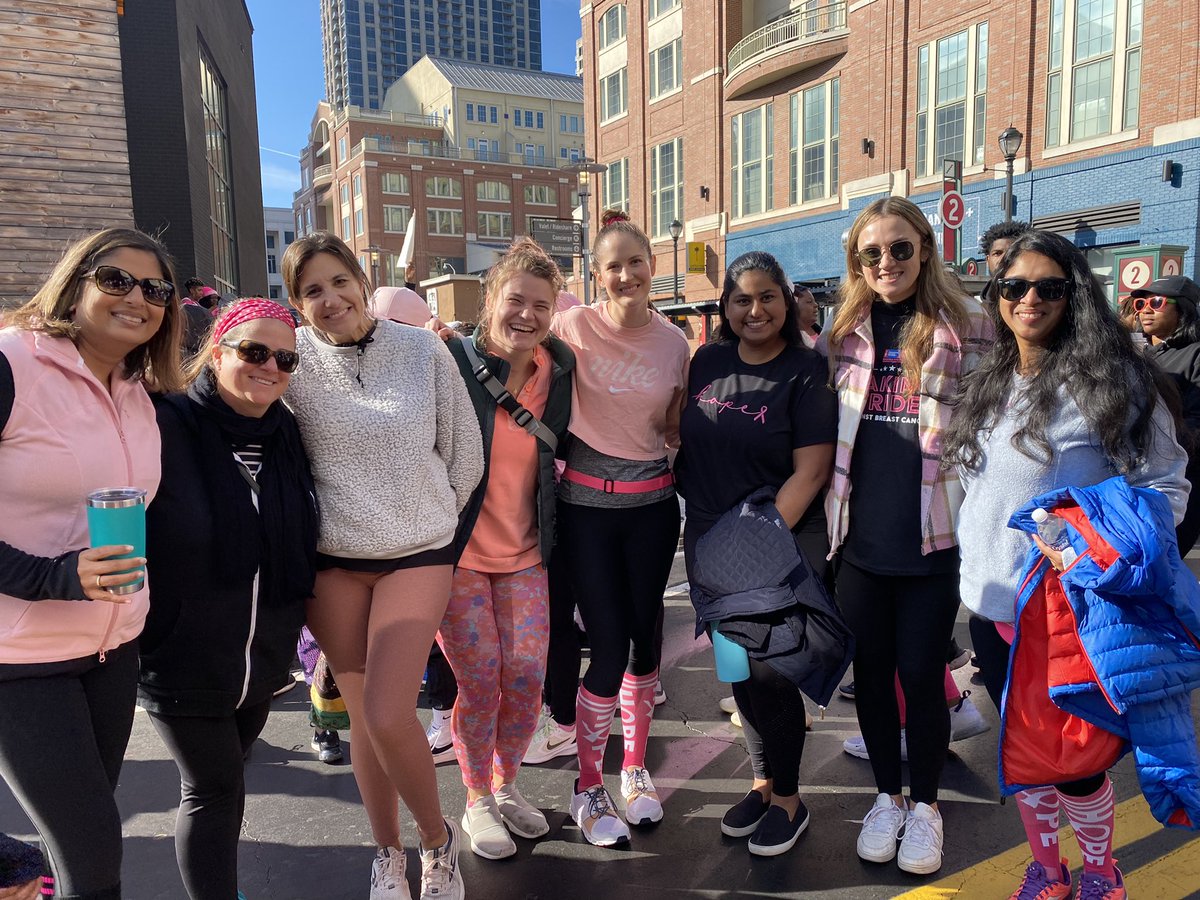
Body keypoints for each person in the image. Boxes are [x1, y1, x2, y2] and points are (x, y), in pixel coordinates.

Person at [946, 229, 1190, 900]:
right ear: (996, 297)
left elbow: (1167, 487)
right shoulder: (989, 380)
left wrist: (1089, 541)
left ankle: (1102, 872)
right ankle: (1047, 868)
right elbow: (976, 489)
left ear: (1074, 294)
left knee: (1076, 763)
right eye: (1013, 286)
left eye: (1048, 287)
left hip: (1070, 612)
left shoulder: (1115, 382)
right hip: (992, 606)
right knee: (1026, 755)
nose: (1029, 299)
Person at [281, 232, 482, 900]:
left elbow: (463, 452)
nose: (329, 298)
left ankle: (437, 841)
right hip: (334, 564)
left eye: (338, 281)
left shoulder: (424, 349)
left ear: (362, 282)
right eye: (311, 290)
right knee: (364, 718)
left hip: (417, 555)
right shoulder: (292, 362)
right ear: (295, 302)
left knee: (393, 714)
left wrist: (432, 523)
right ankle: (386, 853)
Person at [0, 227, 183, 899]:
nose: (137, 297)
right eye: (115, 280)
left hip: (110, 651)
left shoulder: (138, 391)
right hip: (19, 659)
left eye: (155, 289)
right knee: (95, 859)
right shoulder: (11, 364)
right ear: (74, 282)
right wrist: (54, 576)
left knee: (81, 839)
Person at [821, 196, 992, 875]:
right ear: (857, 262)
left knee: (922, 677)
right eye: (872, 253)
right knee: (870, 676)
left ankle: (926, 808)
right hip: (858, 541)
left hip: (933, 538)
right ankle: (886, 799)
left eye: (899, 248)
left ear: (924, 248)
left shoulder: (970, 325)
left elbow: (997, 422)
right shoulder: (839, 333)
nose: (886, 262)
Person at [139, 299, 318, 899]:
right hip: (181, 657)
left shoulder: (286, 432)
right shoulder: (164, 422)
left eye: (285, 357)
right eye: (253, 351)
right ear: (216, 351)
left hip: (261, 663)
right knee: (213, 787)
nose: (270, 366)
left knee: (228, 782)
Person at [675, 251, 844, 856]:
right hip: (707, 540)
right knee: (738, 672)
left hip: (773, 543)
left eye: (767, 296)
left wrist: (758, 538)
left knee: (772, 672)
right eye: (742, 298)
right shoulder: (707, 362)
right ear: (725, 306)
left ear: (787, 299)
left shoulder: (807, 370)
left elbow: (814, 466)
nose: (755, 310)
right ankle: (762, 783)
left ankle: (791, 801)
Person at [553, 210, 691, 846]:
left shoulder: (673, 344)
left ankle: (634, 769)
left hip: (653, 510)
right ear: (597, 274)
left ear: (652, 266)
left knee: (644, 646)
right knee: (605, 646)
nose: (626, 274)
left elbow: (674, 424)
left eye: (636, 261)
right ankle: (588, 782)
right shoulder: (571, 325)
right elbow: (515, 355)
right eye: (613, 265)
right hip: (586, 511)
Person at [439, 237, 575, 860]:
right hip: (459, 554)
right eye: (515, 300)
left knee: (526, 676)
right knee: (482, 677)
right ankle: (474, 799)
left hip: (525, 553)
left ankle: (506, 782)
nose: (526, 315)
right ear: (490, 299)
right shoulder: (450, 361)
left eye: (540, 305)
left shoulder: (560, 368)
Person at [1133, 275, 1200, 554]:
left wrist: (1156, 449)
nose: (1145, 309)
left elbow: (1197, 422)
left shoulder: (1195, 354)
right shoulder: (1142, 353)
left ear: (1183, 310)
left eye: (1157, 302)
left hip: (1179, 483)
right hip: (1136, 478)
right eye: (1140, 303)